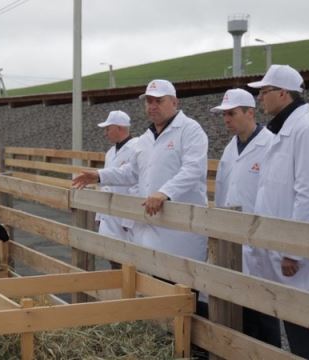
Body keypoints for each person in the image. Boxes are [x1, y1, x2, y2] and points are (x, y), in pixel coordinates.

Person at [73, 79, 208, 263]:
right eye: (149, 101)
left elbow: (193, 169)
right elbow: (132, 172)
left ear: (175, 102)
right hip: (150, 228)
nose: (152, 106)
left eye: (158, 101)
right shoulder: (146, 138)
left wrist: (165, 193)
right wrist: (99, 176)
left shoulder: (190, 130)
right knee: (149, 284)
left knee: (181, 285)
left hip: (180, 233)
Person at [248, 64, 309, 360]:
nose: (260, 99)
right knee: (284, 314)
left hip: (291, 251)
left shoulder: (307, 130)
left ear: (283, 93)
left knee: (301, 322)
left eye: (264, 92)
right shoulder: (286, 130)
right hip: (277, 243)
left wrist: (294, 250)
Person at [211, 88, 279, 346]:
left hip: (260, 242)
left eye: (231, 113)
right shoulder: (230, 148)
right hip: (232, 241)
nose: (226, 119)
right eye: (224, 115)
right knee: (240, 312)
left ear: (250, 112)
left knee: (264, 313)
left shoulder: (271, 144)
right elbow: (223, 190)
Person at [94, 110, 140, 269]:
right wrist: (99, 215)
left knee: (128, 262)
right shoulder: (110, 153)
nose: (105, 133)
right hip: (109, 215)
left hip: (125, 217)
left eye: (108, 129)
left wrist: (129, 219)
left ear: (119, 128)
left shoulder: (137, 148)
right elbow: (105, 185)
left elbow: (137, 184)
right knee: (112, 256)